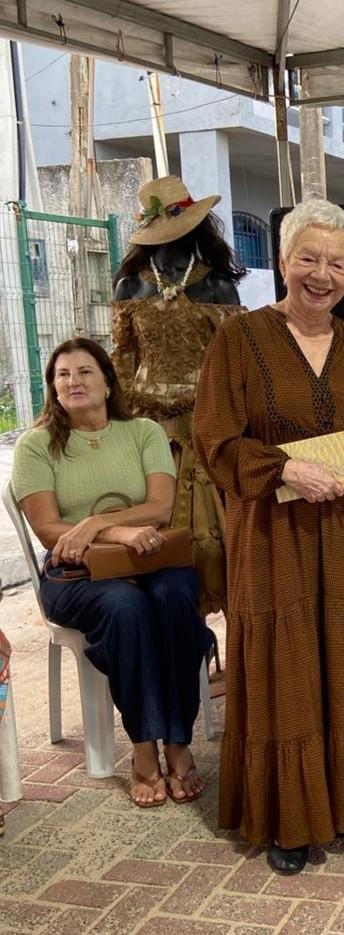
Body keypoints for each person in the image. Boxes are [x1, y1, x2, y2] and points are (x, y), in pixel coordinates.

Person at [193, 199, 344, 875]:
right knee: (286, 664)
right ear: (284, 262)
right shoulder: (239, 338)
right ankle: (291, 818)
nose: (322, 274)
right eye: (308, 258)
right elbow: (213, 439)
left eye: (337, 262)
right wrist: (283, 466)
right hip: (272, 532)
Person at [11, 338, 213, 808]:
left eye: (84, 372)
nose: (72, 381)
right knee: (125, 606)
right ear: (52, 388)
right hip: (76, 576)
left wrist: (97, 523)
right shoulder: (36, 445)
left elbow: (160, 508)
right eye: (62, 374)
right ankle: (144, 747)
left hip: (149, 559)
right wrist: (121, 534)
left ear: (107, 383)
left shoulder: (142, 432)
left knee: (177, 599)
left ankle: (177, 740)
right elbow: (48, 531)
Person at [111, 175, 245, 616]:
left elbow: (233, 366)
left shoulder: (219, 286)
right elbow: (123, 361)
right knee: (157, 543)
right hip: (147, 433)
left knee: (218, 544)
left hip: (206, 426)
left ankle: (226, 647)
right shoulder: (130, 286)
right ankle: (181, 643)